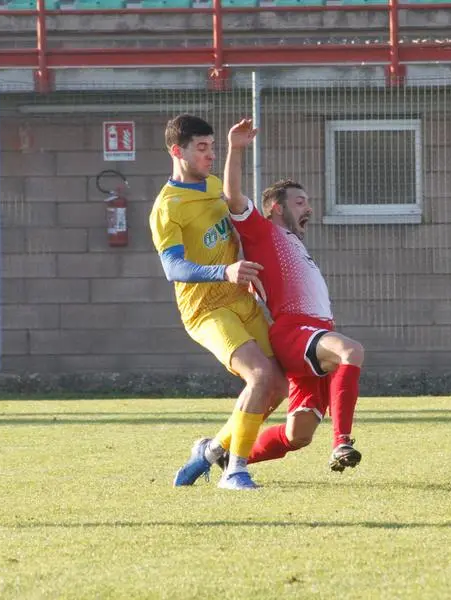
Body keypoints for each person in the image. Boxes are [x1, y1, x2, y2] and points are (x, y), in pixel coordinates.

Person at [148, 114, 286, 490]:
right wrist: (222, 272)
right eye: (202, 148)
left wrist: (236, 150)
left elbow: (237, 203)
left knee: (278, 385)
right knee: (259, 376)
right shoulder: (167, 207)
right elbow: (173, 267)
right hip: (206, 309)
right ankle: (235, 470)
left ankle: (210, 452)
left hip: (239, 298)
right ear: (178, 151)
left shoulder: (211, 184)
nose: (210, 155)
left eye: (213, 147)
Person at [222, 117, 365, 473]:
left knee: (297, 435)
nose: (308, 209)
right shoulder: (262, 230)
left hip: (314, 336)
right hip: (294, 333)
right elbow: (233, 197)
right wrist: (235, 149)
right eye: (300, 202)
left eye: (308, 203)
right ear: (275, 207)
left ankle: (226, 457)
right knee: (351, 351)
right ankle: (342, 442)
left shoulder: (296, 246)